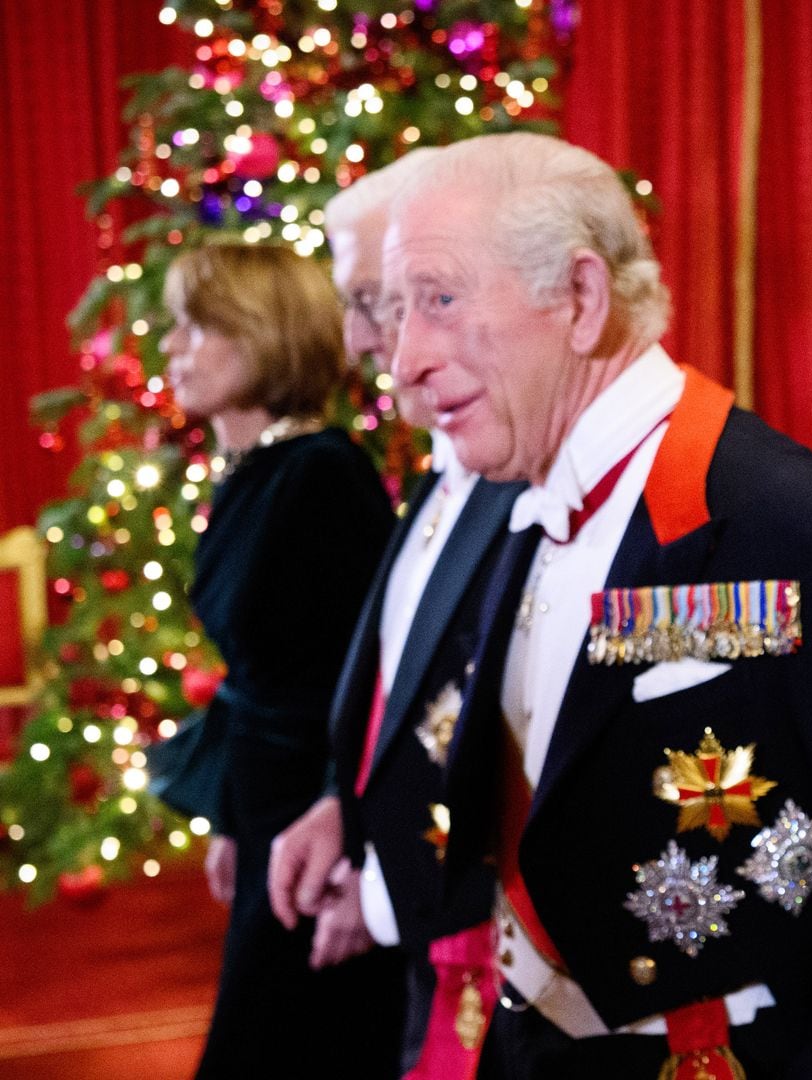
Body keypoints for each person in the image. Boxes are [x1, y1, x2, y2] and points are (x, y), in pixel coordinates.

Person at [381, 131, 812, 1078]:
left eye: (440, 299)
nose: (405, 359)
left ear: (581, 298)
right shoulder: (518, 500)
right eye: (399, 311)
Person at [265, 145, 525, 1079]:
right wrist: (346, 805)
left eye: (375, 300)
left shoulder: (519, 472)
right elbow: (405, 685)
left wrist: (378, 889)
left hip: (494, 961)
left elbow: (503, 743)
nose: (360, 341)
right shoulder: (444, 469)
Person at [159, 242, 405, 1077]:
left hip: (316, 830)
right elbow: (259, 677)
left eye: (197, 326)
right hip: (269, 814)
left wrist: (355, 846)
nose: (172, 347)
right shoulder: (259, 469)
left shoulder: (321, 474)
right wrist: (232, 817)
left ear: (264, 334)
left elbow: (372, 678)